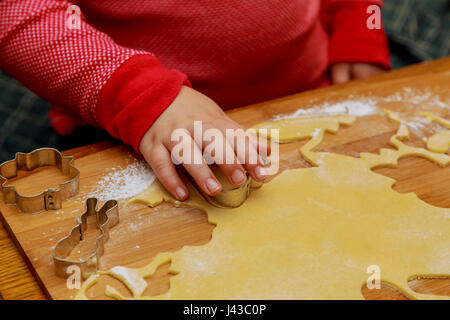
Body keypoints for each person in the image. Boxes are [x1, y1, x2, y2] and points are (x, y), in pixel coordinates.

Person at [0, 1, 390, 201]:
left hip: (309, 92)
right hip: (138, 127)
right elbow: (18, 11)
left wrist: (359, 17)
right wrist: (141, 96)